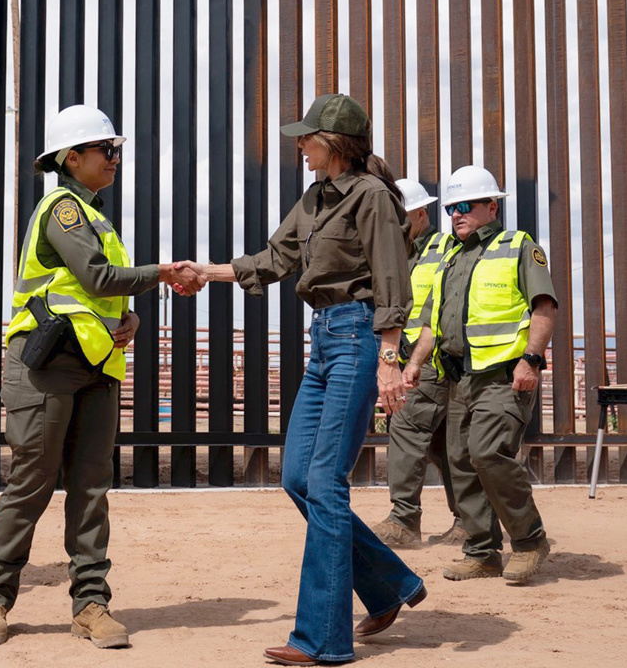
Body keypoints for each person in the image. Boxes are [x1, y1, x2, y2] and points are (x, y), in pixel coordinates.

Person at [182, 94, 426, 666]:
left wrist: (390, 359)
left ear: (335, 143)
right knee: (297, 476)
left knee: (325, 483)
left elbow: (392, 280)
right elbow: (275, 257)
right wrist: (206, 272)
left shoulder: (370, 197)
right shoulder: (316, 197)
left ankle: (323, 639)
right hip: (325, 341)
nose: (299, 145)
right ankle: (391, 583)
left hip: (360, 338)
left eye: (307, 137)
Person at [0, 105, 205, 649]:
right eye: (107, 150)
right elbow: (97, 277)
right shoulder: (64, 208)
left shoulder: (95, 215)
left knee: (91, 489)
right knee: (31, 483)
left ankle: (91, 605)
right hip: (46, 366)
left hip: (94, 366)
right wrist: (165, 274)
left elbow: (103, 293)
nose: (115, 158)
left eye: (115, 149)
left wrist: (131, 316)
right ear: (72, 158)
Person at [403, 165, 557, 583]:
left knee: (488, 452)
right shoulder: (450, 256)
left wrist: (532, 360)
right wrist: (415, 363)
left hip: (503, 376)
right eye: (452, 207)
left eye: (466, 206)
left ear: (492, 206)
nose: (456, 214)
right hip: (459, 378)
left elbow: (544, 307)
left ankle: (529, 540)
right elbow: (433, 323)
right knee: (459, 462)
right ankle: (482, 552)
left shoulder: (518, 246)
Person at [371, 178, 464, 549]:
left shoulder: (445, 248)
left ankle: (404, 520)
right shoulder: (395, 255)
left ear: (421, 214)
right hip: (407, 362)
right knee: (444, 445)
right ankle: (469, 522)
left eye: (401, 217)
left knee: (406, 432)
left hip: (432, 362)